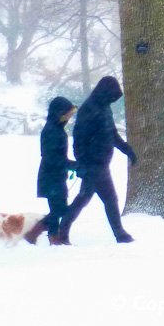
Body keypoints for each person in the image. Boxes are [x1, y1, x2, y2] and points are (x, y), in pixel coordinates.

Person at [57, 76, 137, 244]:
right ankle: (120, 234)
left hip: (101, 163)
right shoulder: (89, 108)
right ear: (105, 92)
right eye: (112, 96)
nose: (112, 100)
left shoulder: (105, 107)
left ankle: (62, 230)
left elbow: (112, 133)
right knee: (109, 199)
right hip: (93, 164)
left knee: (84, 198)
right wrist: (82, 162)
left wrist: (127, 150)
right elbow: (78, 138)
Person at [25, 96, 78, 245]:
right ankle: (42, 234)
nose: (69, 117)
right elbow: (51, 158)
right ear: (58, 113)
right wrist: (72, 165)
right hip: (50, 176)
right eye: (67, 114)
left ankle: (52, 236)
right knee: (60, 209)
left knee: (58, 208)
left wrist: (70, 166)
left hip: (56, 176)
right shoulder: (51, 131)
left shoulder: (57, 129)